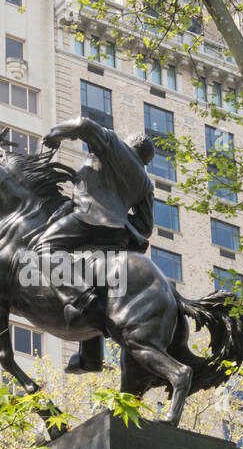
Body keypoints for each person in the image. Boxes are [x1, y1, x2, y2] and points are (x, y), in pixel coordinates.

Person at [39, 115, 156, 373]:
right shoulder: (145, 182)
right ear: (146, 160)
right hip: (116, 236)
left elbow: (82, 124)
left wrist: (55, 134)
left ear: (130, 143)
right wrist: (118, 216)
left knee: (45, 248)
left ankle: (86, 305)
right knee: (90, 276)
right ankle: (90, 359)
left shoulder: (114, 144)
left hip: (87, 219)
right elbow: (146, 226)